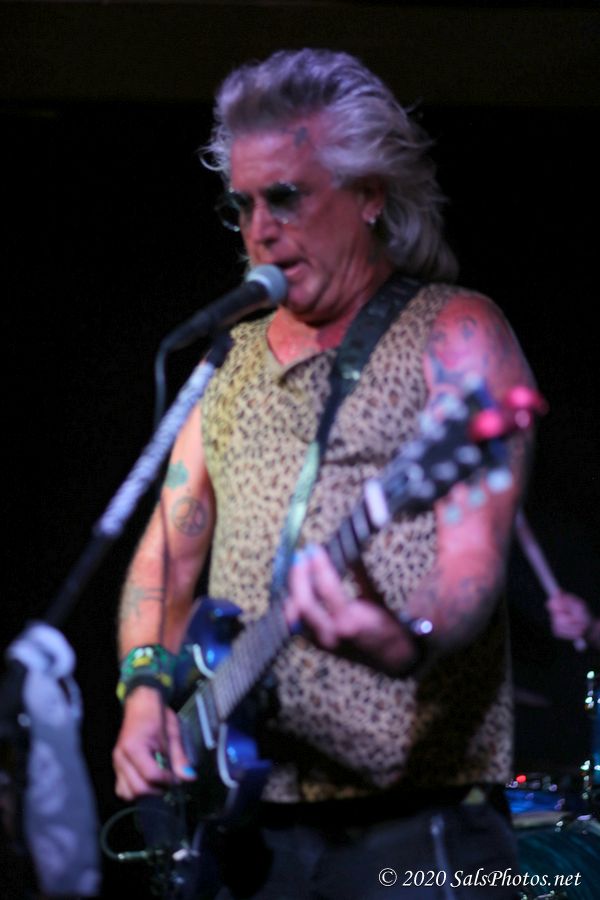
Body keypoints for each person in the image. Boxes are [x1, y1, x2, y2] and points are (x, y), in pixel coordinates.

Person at [112, 49, 537, 898]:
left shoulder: (456, 332)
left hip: (420, 824)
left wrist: (396, 636)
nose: (260, 229)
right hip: (245, 829)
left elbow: (472, 568)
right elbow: (165, 555)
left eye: (286, 196)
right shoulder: (228, 361)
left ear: (370, 194)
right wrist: (144, 691)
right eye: (243, 204)